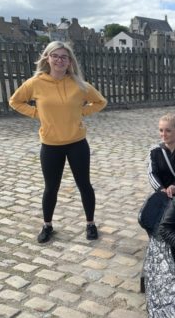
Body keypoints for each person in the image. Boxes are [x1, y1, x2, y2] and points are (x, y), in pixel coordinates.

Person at [9, 41, 107, 243]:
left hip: (77, 144)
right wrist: (36, 113)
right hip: (50, 145)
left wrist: (81, 112)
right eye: (55, 56)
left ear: (70, 61)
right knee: (51, 187)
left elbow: (100, 102)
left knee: (84, 185)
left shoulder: (79, 84)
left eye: (64, 57)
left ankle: (90, 223)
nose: (59, 60)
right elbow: (15, 101)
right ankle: (47, 225)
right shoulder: (35, 83)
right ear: (47, 58)